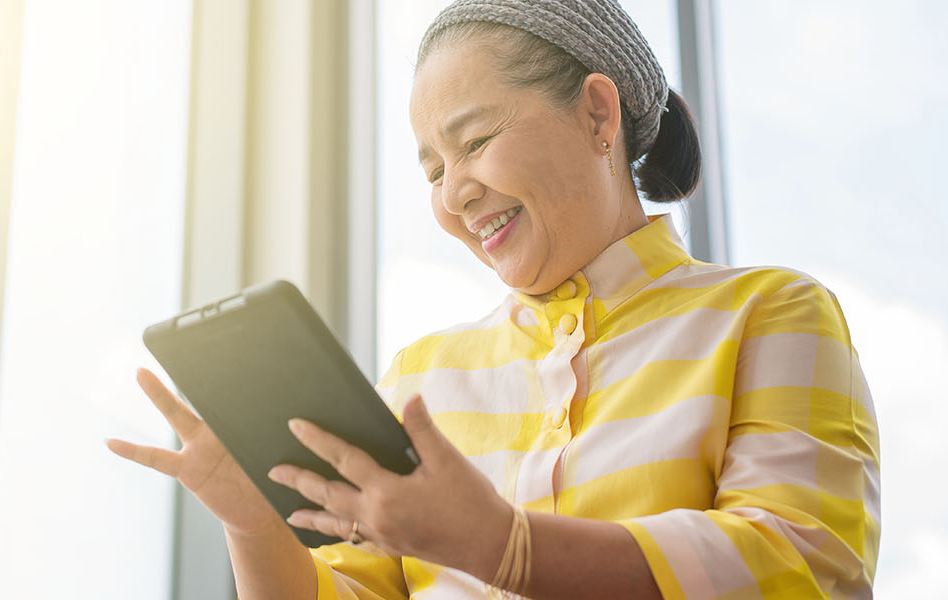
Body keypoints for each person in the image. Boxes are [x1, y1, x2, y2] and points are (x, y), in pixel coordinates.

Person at [106, 0, 880, 597]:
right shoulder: (421, 378)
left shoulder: (768, 315)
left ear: (598, 114)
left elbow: (802, 570)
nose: (454, 195)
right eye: (433, 169)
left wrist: (503, 546)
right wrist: (251, 527)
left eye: (474, 142)